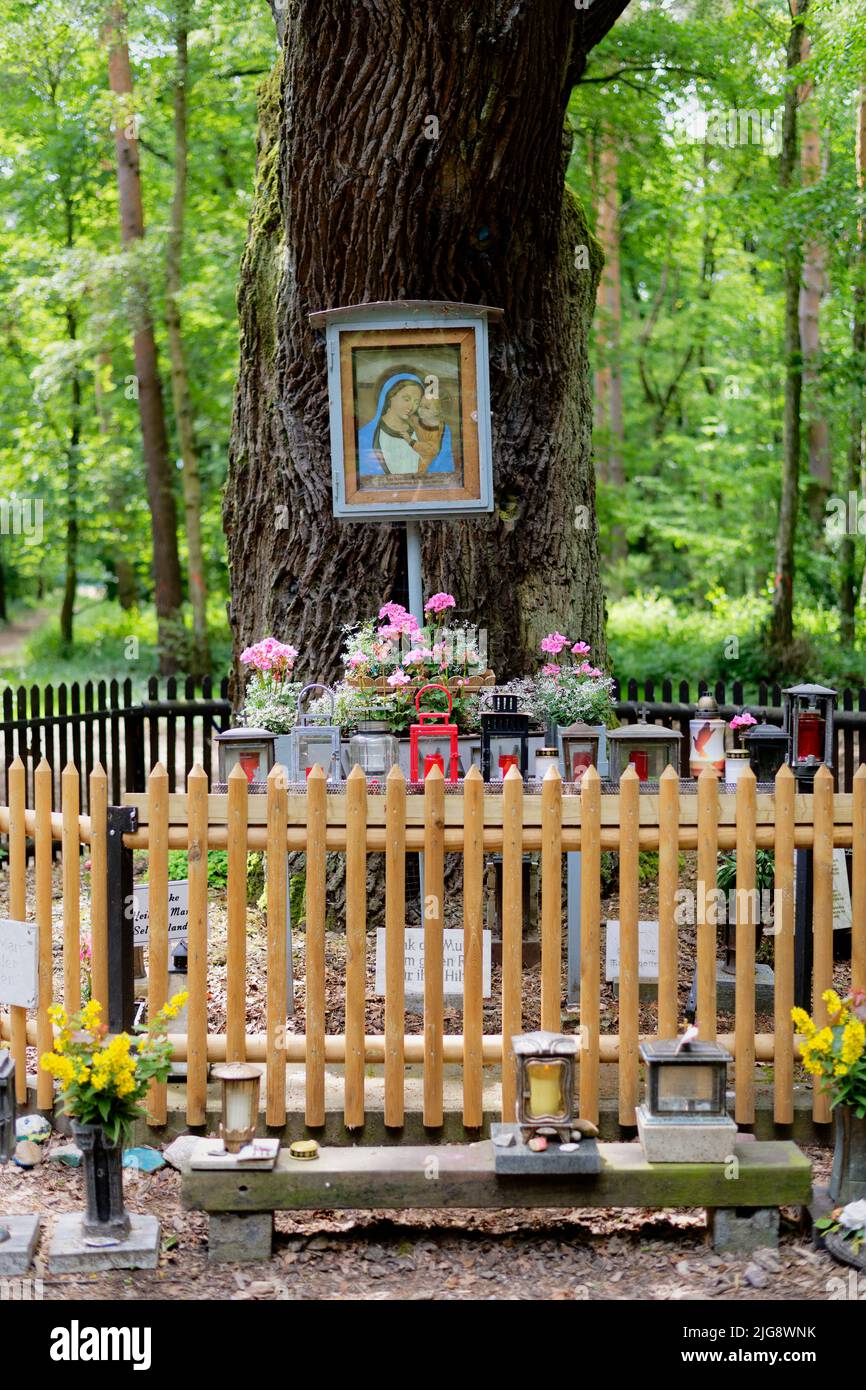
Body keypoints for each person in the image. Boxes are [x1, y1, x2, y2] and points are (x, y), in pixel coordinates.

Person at [357, 372, 454, 477]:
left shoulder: (428, 429)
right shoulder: (366, 435)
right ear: (391, 396)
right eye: (406, 399)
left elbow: (443, 473)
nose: (411, 406)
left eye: (417, 402)